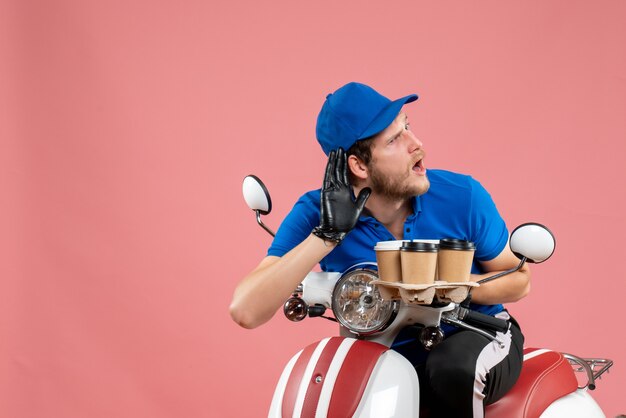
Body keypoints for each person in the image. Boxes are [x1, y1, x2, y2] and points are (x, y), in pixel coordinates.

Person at [230, 82, 530, 418]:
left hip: (478, 335)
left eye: (407, 126)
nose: (417, 145)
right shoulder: (319, 212)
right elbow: (246, 310)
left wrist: (454, 286)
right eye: (394, 139)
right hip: (384, 355)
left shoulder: (463, 195)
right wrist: (326, 236)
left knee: (451, 368)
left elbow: (520, 279)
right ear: (359, 166)